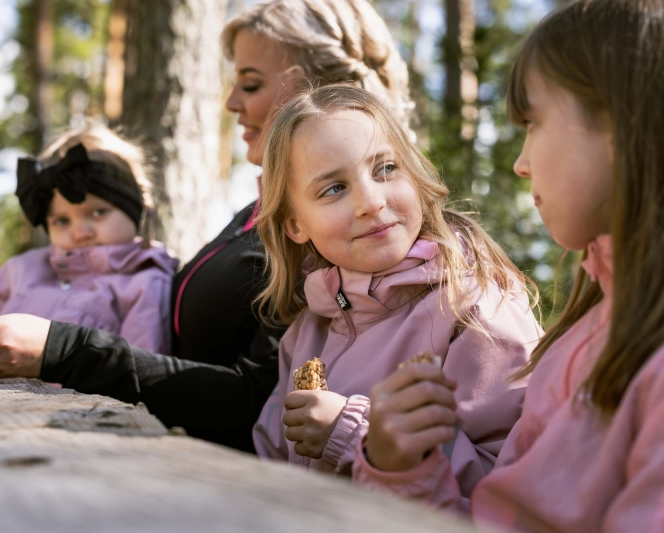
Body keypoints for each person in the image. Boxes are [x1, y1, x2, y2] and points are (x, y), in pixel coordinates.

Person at [354, 1, 664, 531]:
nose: (521, 162)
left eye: (533, 123)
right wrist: (402, 466)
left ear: (621, 125)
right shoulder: (593, 327)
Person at [0, 0, 412, 454]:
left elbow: (254, 405)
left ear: (320, 87)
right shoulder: (256, 213)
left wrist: (67, 350)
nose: (232, 101)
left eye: (250, 83)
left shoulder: (336, 235)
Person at [251, 85, 540, 506]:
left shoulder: (475, 313)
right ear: (295, 224)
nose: (370, 201)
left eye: (385, 169)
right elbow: (271, 461)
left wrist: (353, 435)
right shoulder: (307, 331)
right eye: (333, 189)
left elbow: (504, 492)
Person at [1, 123, 176, 354]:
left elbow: (139, 372)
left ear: (134, 209)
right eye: (62, 221)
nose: (80, 232)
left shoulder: (144, 285)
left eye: (97, 212)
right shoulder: (21, 269)